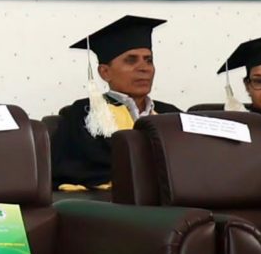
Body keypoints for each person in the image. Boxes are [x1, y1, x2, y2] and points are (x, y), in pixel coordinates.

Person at [52, 15, 180, 193]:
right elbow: (77, 168)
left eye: (148, 60)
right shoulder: (85, 114)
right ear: (105, 72)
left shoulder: (171, 114)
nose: (144, 68)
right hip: (111, 201)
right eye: (131, 60)